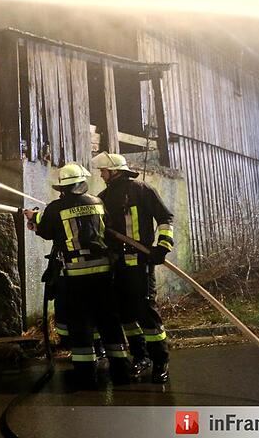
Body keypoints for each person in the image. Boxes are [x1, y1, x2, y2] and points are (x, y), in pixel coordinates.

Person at [24, 163, 131, 387]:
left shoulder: (55, 208)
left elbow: (46, 231)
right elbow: (107, 230)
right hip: (103, 275)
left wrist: (34, 218)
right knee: (109, 322)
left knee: (80, 324)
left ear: (62, 187)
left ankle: (85, 374)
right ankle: (121, 370)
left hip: (75, 277)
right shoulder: (98, 203)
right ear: (82, 184)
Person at [92, 151, 174, 384]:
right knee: (126, 314)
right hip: (117, 265)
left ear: (115, 171)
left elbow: (165, 218)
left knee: (146, 313)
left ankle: (160, 361)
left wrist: (163, 246)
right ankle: (141, 356)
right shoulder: (103, 197)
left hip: (141, 262)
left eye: (104, 171)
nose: (101, 174)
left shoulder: (141, 190)